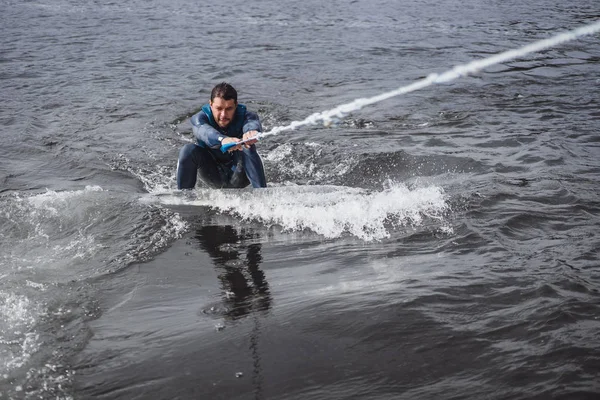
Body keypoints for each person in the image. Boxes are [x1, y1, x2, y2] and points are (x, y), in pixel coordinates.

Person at [177, 82, 267, 189]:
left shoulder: (248, 116)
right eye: (219, 108)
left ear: (236, 105)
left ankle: (262, 193)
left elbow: (252, 123)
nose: (223, 115)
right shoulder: (199, 119)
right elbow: (204, 132)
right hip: (213, 174)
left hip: (240, 174)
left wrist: (251, 132)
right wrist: (222, 139)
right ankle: (184, 197)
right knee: (188, 150)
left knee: (247, 146)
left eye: (229, 109)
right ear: (210, 104)